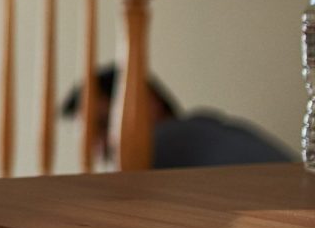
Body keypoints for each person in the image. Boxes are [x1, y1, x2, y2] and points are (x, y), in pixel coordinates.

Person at [61, 64, 294, 169]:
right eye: (89, 140)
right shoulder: (200, 134)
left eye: (103, 126)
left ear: (146, 104)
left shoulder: (169, 140)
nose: (100, 147)